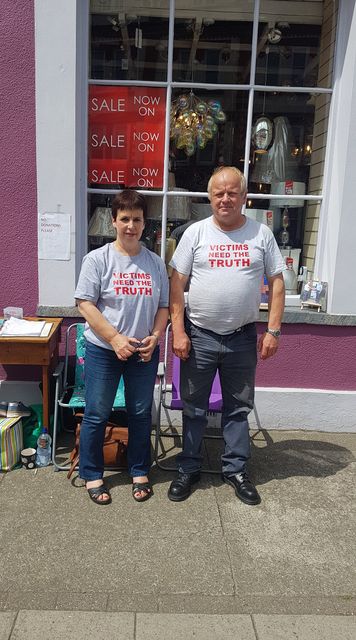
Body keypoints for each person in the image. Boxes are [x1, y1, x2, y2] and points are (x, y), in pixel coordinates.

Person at [168, 166, 285, 505]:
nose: (225, 199)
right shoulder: (196, 234)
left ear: (244, 197)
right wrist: (178, 332)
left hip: (243, 337)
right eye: (218, 193)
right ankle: (188, 468)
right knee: (193, 408)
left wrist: (273, 330)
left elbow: (277, 283)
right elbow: (177, 284)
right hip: (199, 335)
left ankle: (235, 470)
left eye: (232, 193)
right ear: (210, 197)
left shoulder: (261, 234)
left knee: (237, 409)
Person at [75, 190, 169, 505]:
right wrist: (114, 338)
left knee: (141, 412)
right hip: (104, 350)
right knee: (97, 412)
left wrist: (156, 336)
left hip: (143, 351)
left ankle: (139, 470)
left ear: (145, 224)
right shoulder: (97, 259)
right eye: (125, 218)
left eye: (137, 219)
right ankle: (91, 473)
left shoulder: (155, 263)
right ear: (114, 221)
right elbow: (85, 304)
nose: (131, 225)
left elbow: (164, 307)